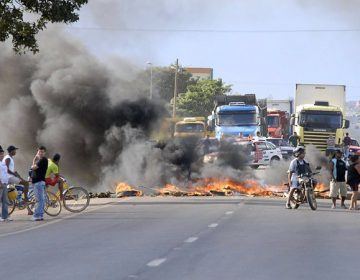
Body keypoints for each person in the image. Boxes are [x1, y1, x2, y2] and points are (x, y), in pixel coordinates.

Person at [30, 146, 48, 221]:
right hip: (39, 182)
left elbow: (33, 168)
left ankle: (36, 215)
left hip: (38, 182)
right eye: (39, 151)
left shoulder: (43, 160)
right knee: (41, 199)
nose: (40, 153)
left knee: (39, 200)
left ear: (44, 153)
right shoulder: (41, 160)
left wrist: (34, 160)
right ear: (37, 152)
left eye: (42, 152)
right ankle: (40, 215)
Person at [0, 147, 12, 222]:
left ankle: (5, 216)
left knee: (5, 201)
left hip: (4, 184)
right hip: (0, 184)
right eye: (0, 154)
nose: (2, 155)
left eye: (2, 154)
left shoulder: (2, 163)